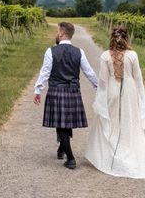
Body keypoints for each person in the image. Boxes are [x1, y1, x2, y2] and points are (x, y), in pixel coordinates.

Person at [85, 26, 145, 178]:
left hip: (112, 91)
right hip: (130, 92)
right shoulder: (133, 55)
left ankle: (112, 154)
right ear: (127, 38)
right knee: (128, 122)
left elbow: (102, 81)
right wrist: (141, 99)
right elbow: (138, 80)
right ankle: (127, 152)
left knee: (112, 122)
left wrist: (100, 100)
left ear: (112, 37)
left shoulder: (105, 56)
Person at [34, 22, 98, 169]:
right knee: (64, 122)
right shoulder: (79, 52)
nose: (56, 33)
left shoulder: (51, 52)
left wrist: (38, 90)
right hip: (73, 91)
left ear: (62, 34)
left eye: (57, 31)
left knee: (61, 124)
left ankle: (70, 158)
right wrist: (98, 86)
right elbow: (89, 72)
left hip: (56, 90)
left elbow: (45, 72)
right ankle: (62, 149)